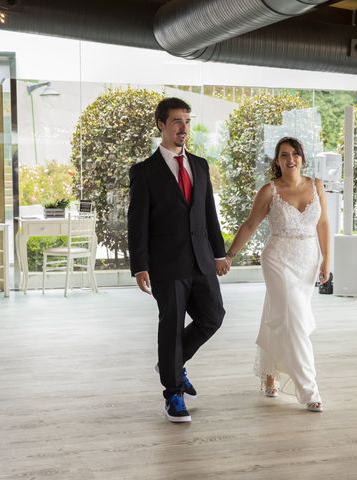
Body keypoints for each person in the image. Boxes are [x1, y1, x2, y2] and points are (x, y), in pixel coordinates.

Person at [128, 97, 230, 423]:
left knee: (213, 316)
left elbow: (208, 214)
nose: (183, 127)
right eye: (176, 121)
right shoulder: (144, 173)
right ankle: (173, 393)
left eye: (186, 120)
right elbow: (137, 222)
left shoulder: (199, 165)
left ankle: (172, 362)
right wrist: (140, 265)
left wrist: (219, 253)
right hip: (166, 264)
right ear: (161, 124)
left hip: (201, 261)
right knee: (170, 328)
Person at [225, 137, 330, 413]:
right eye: (284, 155)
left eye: (295, 154)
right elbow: (250, 225)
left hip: (308, 260)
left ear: (303, 158)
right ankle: (309, 390)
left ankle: (269, 372)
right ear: (277, 161)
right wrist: (230, 255)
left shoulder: (316, 185)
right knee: (294, 320)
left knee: (278, 314)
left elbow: (324, 224)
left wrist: (327, 261)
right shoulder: (269, 191)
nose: (290, 159)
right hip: (277, 259)